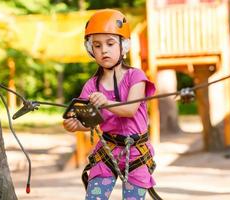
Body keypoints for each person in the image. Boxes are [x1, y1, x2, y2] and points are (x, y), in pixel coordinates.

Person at [63, 9, 160, 200]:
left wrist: (106, 102)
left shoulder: (136, 77)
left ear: (123, 46)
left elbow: (130, 110)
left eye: (110, 43)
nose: (104, 50)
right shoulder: (91, 86)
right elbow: (88, 121)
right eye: (97, 46)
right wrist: (75, 125)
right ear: (91, 50)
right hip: (107, 149)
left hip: (136, 153)